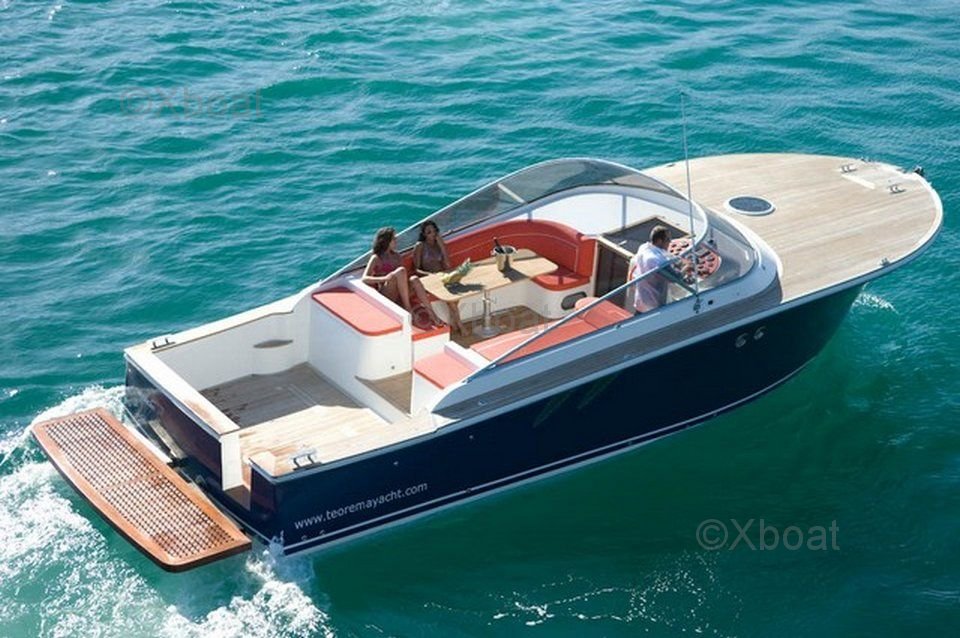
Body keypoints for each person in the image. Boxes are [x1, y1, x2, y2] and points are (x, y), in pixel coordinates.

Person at [362, 227, 445, 327]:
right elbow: (365, 278)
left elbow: (403, 277)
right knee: (400, 271)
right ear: (386, 241)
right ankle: (408, 308)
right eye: (394, 239)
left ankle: (432, 314)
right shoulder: (376, 258)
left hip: (401, 293)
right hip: (388, 292)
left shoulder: (397, 256)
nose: (396, 241)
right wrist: (384, 278)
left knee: (414, 279)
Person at [413, 221, 466, 335]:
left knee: (454, 294)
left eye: (434, 231)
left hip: (441, 276)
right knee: (451, 296)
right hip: (428, 278)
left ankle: (454, 322)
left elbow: (447, 265)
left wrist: (442, 246)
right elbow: (416, 269)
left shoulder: (439, 245)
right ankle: (460, 325)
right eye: (429, 232)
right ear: (424, 234)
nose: (432, 234)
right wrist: (430, 275)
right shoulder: (420, 246)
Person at [629, 225, 692, 313]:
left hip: (641, 302)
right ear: (659, 241)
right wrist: (687, 266)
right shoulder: (658, 261)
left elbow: (663, 255)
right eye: (667, 239)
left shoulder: (643, 248)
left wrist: (676, 260)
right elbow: (676, 278)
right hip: (654, 306)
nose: (670, 242)